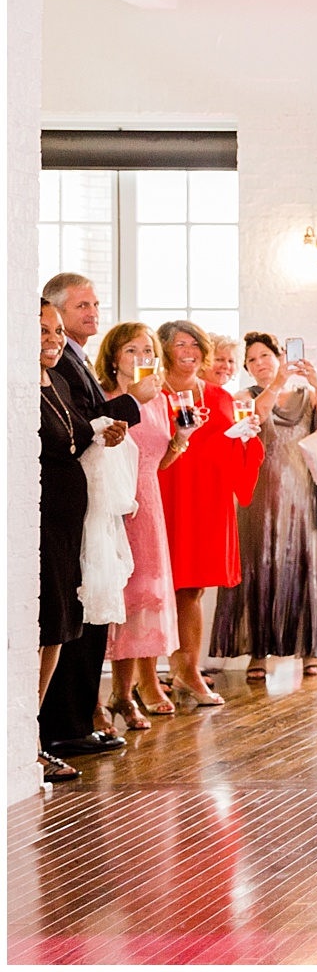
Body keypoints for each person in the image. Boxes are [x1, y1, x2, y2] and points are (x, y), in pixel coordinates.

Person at [38, 273, 152, 760]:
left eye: (95, 303)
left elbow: (82, 423)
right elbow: (78, 427)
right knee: (69, 616)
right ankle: (64, 724)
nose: (91, 312)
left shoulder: (67, 363)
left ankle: (78, 718)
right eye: (80, 305)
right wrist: (129, 404)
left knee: (82, 614)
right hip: (60, 512)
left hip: (86, 503)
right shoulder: (54, 366)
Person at [212, 331, 317, 679]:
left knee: (307, 567)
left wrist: (315, 381)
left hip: (303, 494)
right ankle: (258, 653)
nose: (260, 364)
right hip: (260, 495)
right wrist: (278, 382)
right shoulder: (245, 395)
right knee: (258, 568)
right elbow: (257, 414)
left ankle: (311, 649)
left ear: (279, 356)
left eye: (265, 356)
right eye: (252, 360)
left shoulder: (305, 395)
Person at [157, 320, 265, 707]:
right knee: (154, 588)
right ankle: (145, 680)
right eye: (180, 344)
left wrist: (247, 437)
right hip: (165, 493)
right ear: (165, 349)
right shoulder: (153, 392)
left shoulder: (218, 396)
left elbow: (229, 446)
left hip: (207, 499)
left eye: (195, 344)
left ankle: (186, 672)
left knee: (193, 588)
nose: (189, 350)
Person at [96, 322, 183, 728]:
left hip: (150, 500)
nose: (143, 357)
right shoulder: (107, 397)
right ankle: (113, 694)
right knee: (120, 596)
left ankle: (125, 693)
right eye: (132, 350)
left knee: (145, 597)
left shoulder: (159, 399)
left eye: (148, 350)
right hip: (116, 500)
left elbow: (157, 460)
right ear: (115, 358)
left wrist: (180, 440)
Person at [38, 300, 96, 781]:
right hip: (40, 523)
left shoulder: (56, 382)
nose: (54, 340)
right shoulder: (20, 388)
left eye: (58, 332)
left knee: (60, 625)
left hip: (67, 524)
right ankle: (29, 736)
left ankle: (29, 730)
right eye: (43, 332)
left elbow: (76, 434)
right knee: (44, 625)